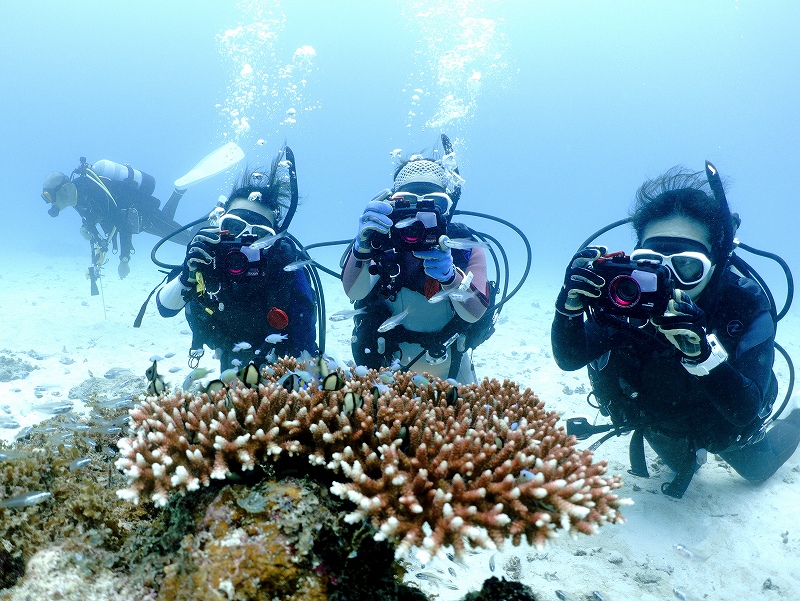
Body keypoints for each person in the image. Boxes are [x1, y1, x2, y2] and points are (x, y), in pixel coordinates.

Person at [551, 165, 800, 497]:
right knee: (680, 463)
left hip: (725, 421)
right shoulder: (625, 297)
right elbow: (570, 358)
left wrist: (702, 354)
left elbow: (744, 411)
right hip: (658, 417)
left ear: (716, 262)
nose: (665, 281)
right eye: (651, 261)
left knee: (757, 469)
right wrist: (566, 311)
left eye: (686, 265)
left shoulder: (744, 304)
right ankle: (687, 455)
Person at [156, 151, 318, 371]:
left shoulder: (285, 267)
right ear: (220, 224)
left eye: (259, 234)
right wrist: (187, 274)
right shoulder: (206, 254)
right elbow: (165, 308)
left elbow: (305, 347)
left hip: (276, 357)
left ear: (274, 240)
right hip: (225, 344)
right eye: (234, 226)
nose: (244, 241)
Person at [341, 150, 491, 383]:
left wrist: (452, 278)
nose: (420, 216)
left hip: (450, 368)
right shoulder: (380, 240)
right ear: (392, 204)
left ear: (448, 208)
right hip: (383, 367)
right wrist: (362, 247)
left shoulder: (464, 245)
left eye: (434, 205)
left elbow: (474, 314)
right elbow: (354, 292)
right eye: (407, 204)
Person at [42, 158, 192, 280]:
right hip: (137, 220)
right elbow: (90, 219)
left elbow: (123, 226)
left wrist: (124, 260)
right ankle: (178, 192)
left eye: (50, 196)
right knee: (168, 230)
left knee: (187, 240)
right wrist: (88, 231)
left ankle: (209, 218)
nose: (50, 202)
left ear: (64, 189)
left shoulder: (92, 192)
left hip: (145, 215)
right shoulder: (77, 198)